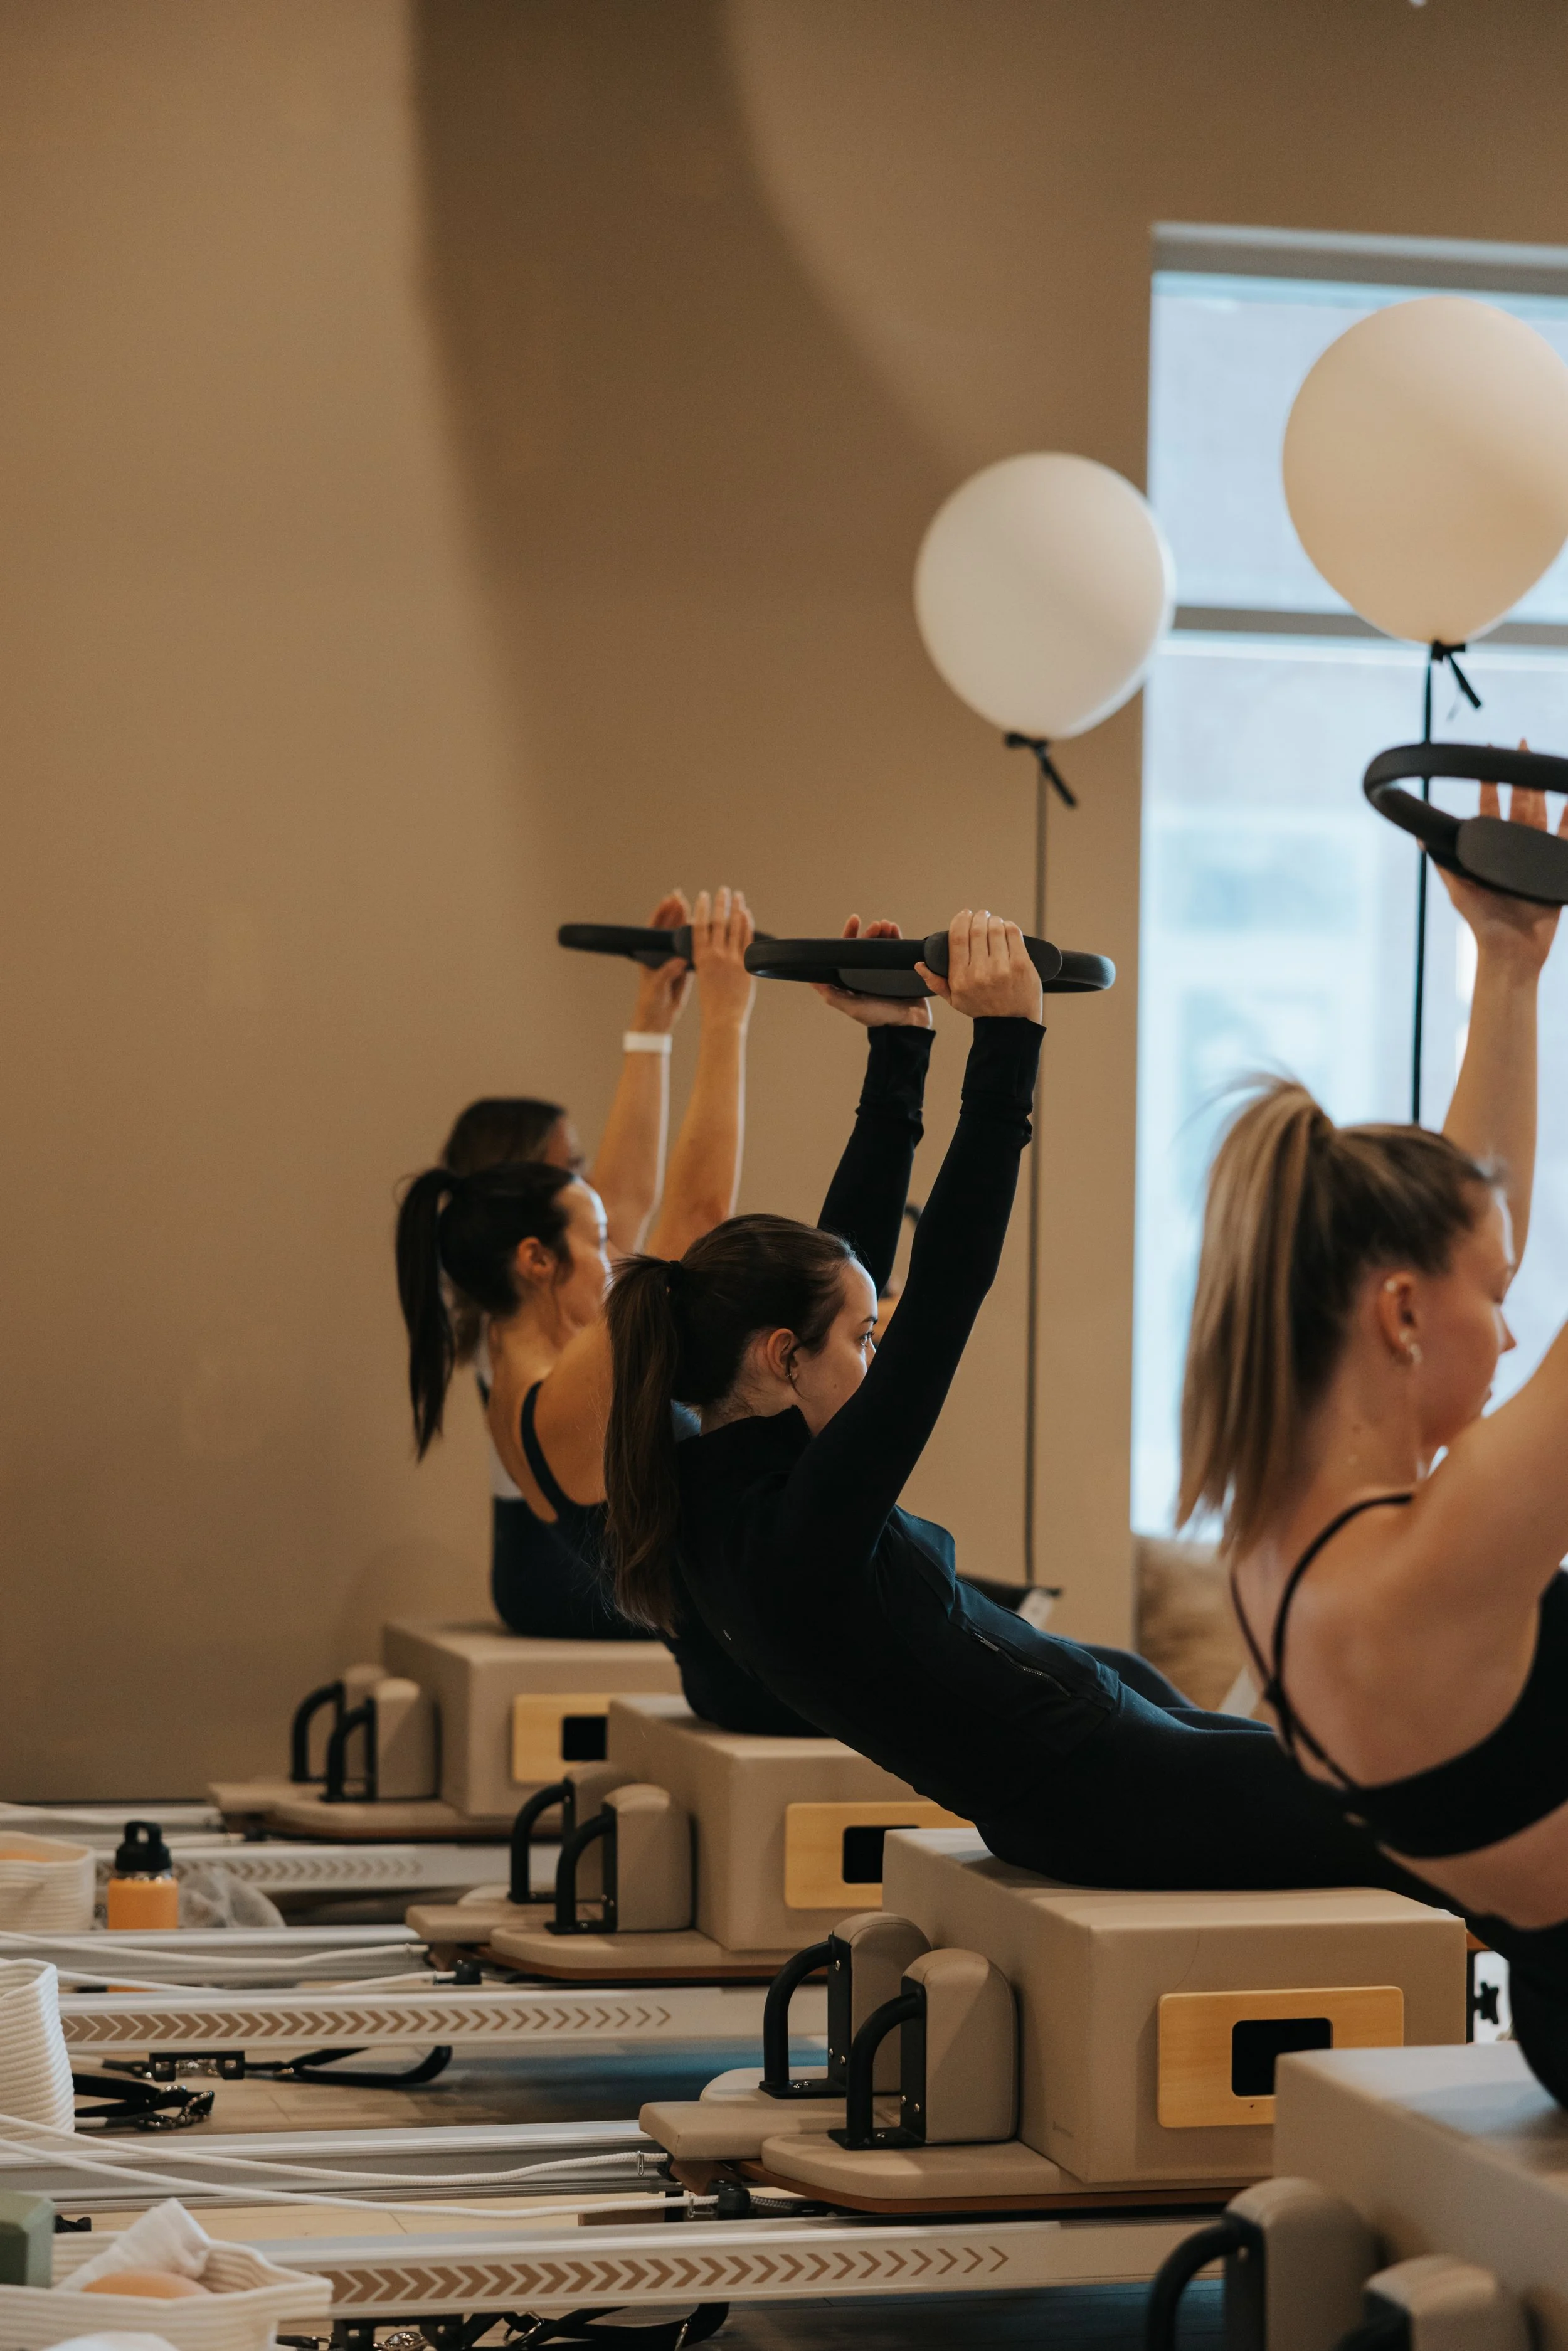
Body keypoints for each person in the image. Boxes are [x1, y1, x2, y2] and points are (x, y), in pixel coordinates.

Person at [601, 908, 1434, 1900]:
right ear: (783, 1360)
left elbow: (840, 1263)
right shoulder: (799, 1532)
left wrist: (900, 1045)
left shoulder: (717, 1486)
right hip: (1120, 1797)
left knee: (1387, 1770)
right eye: (864, 1343)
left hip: (1099, 1764)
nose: (877, 1358)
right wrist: (1007, 1042)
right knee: (1454, 1804)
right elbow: (946, 1289)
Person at [1180, 782, 1568, 2099]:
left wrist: (1505, 973)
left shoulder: (1281, 1547)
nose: (1507, 1338)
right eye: (1492, 1300)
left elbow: (1469, 1205)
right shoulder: (1417, 1572)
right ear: (1397, 1311)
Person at [398, 888, 755, 1639]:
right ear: (534, 1257)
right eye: (583, 1221)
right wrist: (727, 1017)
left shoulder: (527, 1336)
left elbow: (625, 1199)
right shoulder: (556, 1381)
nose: (607, 1222)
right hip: (609, 1597)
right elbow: (693, 1221)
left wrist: (653, 1025)